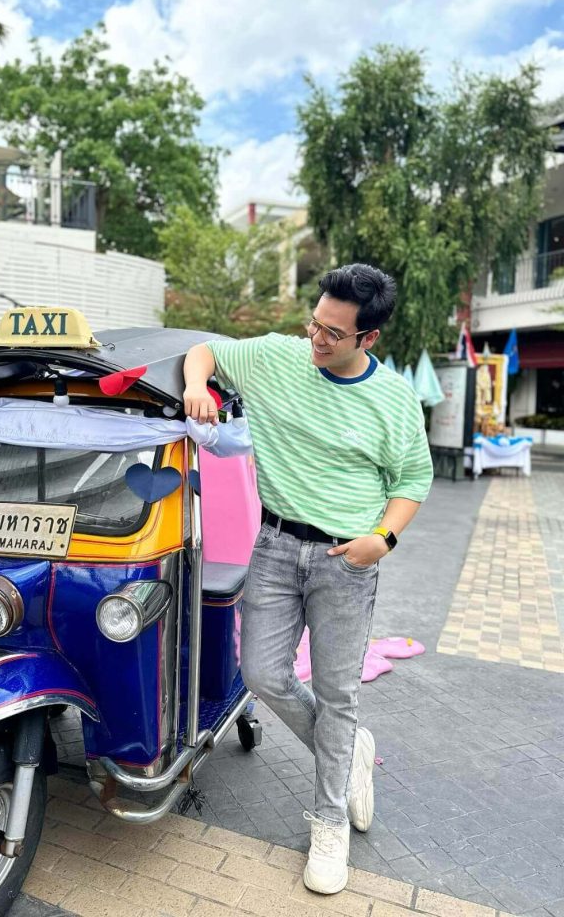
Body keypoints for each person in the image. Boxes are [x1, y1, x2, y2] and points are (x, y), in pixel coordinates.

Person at [183, 263, 433, 895]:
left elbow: (412, 479)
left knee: (338, 692)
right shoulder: (279, 357)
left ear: (367, 339)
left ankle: (328, 822)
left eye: (333, 334)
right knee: (261, 675)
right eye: (314, 323)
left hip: (345, 561)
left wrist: (384, 538)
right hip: (273, 545)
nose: (317, 340)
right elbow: (204, 350)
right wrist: (198, 387)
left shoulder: (393, 399)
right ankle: (347, 754)